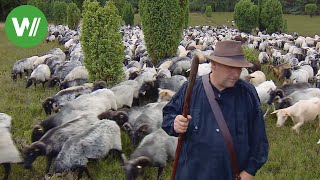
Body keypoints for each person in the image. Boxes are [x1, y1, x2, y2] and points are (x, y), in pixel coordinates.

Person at [162, 40, 268, 180]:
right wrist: (174, 123)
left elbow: (259, 138)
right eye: (230, 68)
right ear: (214, 65)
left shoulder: (247, 93)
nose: (236, 74)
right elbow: (168, 116)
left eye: (239, 68)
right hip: (193, 174)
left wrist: (249, 171)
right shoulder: (191, 89)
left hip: (230, 175)